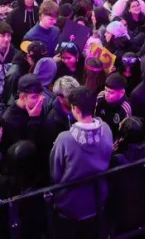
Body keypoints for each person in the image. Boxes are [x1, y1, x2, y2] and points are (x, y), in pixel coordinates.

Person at [49, 86, 114, 235]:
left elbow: (55, 175)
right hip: (99, 199)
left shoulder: (64, 139)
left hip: (71, 206)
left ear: (75, 109)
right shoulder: (106, 128)